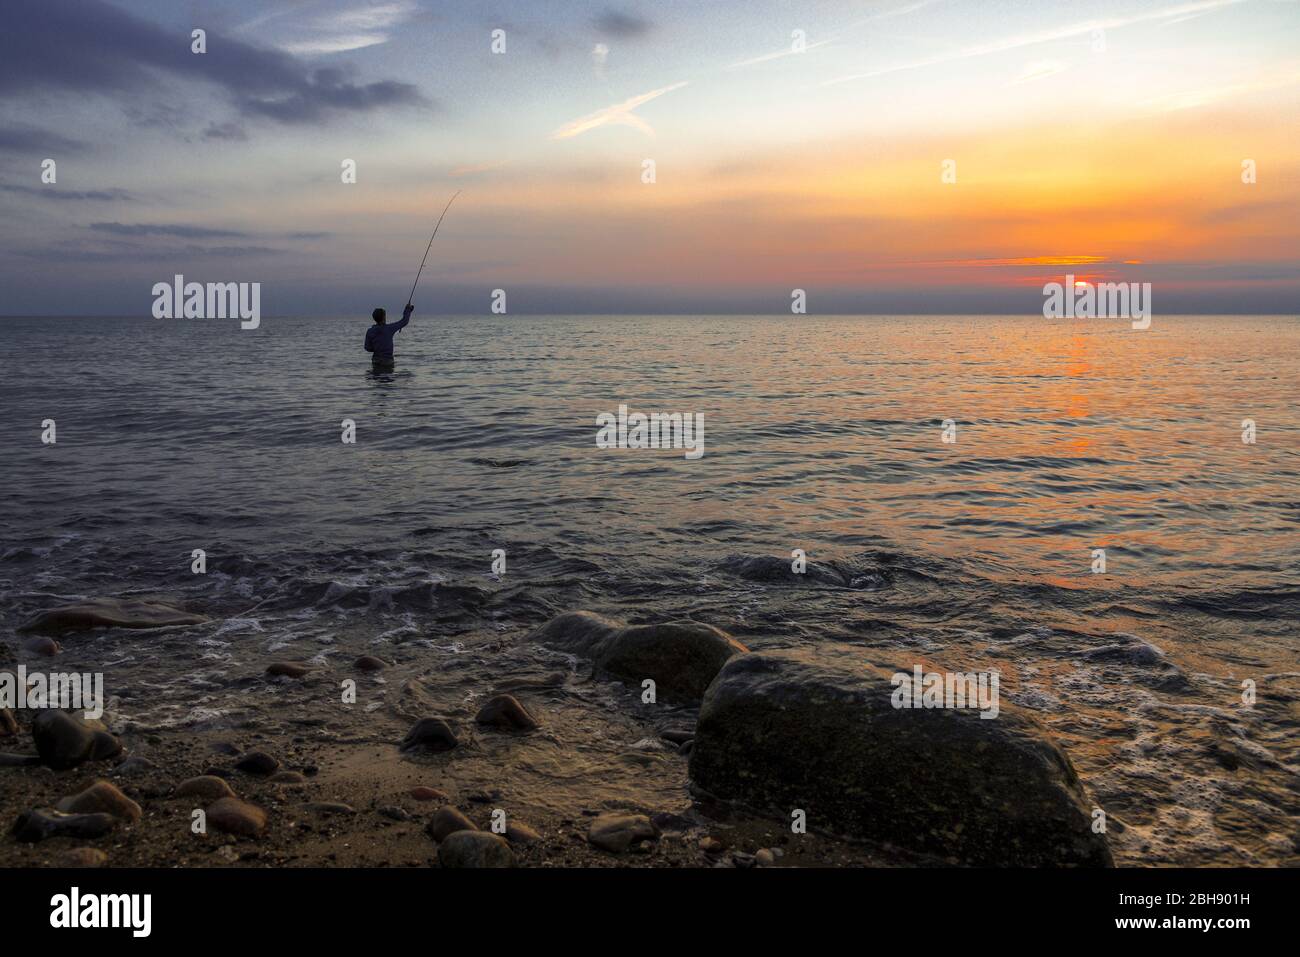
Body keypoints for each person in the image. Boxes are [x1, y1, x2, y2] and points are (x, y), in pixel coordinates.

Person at [364, 303, 414, 368]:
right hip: (387, 361)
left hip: (375, 360)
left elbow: (367, 348)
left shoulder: (370, 331)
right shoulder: (389, 328)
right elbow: (404, 321)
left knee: (376, 377)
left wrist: (377, 348)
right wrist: (408, 310)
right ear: (383, 317)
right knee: (387, 377)